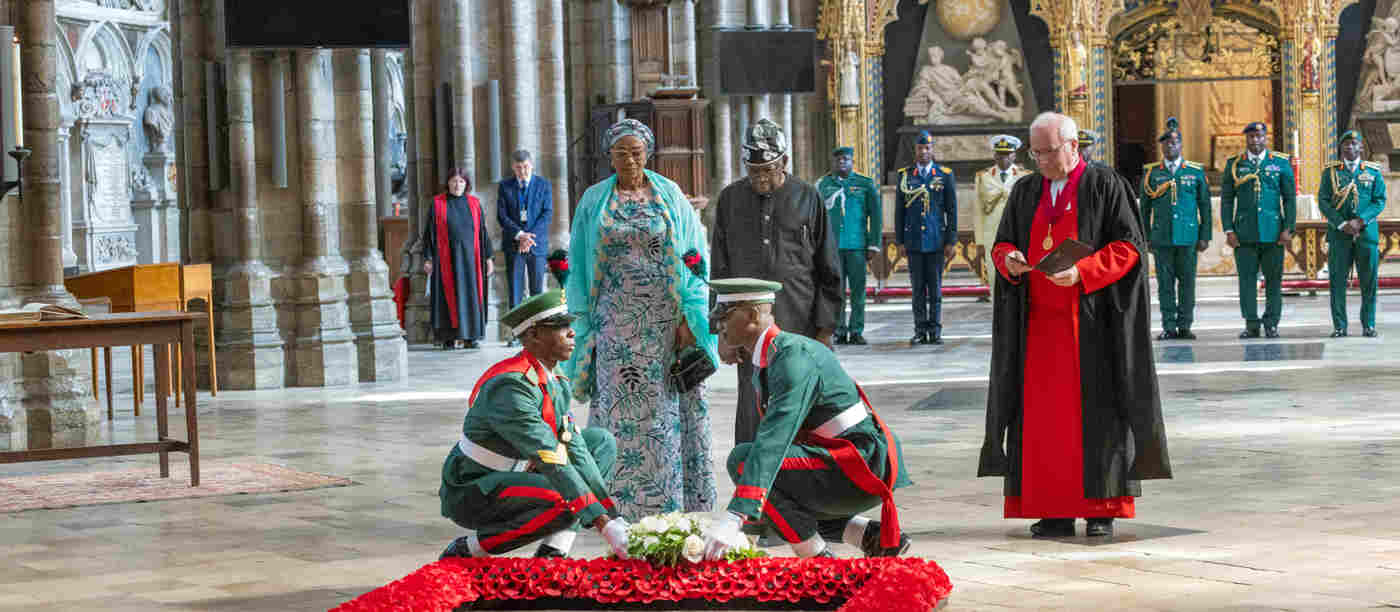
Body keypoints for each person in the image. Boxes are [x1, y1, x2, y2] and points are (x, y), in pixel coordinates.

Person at [979, 112, 1171, 539]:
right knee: (1042, 424)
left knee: (1097, 420)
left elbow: (1129, 247)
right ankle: (1052, 510)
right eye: (1036, 153)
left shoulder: (1105, 184)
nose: (1041, 160)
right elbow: (1003, 243)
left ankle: (1101, 508)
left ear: (1072, 145)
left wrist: (1084, 271)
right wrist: (1009, 260)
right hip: (1037, 332)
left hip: (1092, 327)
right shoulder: (1026, 190)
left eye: (1048, 152)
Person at [564, 119, 718, 519]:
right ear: (609, 156)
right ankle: (614, 504)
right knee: (619, 410)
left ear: (647, 154)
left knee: (664, 411)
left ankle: (668, 499)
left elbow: (695, 256)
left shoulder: (670, 195)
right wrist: (581, 320)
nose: (630, 160)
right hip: (614, 323)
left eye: (636, 152)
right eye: (621, 153)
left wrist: (690, 317)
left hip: (665, 325)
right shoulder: (593, 200)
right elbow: (578, 262)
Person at [700, 278, 912, 560]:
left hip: (863, 462)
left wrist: (735, 516)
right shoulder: (775, 354)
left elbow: (775, 439)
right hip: (849, 457)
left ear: (751, 315)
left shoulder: (792, 358)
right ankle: (869, 536)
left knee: (745, 461)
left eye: (725, 316)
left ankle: (817, 560)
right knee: (768, 493)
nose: (719, 325)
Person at [438, 290, 631, 560]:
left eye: (569, 325)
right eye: (560, 327)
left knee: (600, 443)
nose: (572, 333)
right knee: (566, 496)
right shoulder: (511, 386)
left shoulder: (553, 376)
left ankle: (554, 550)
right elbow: (549, 453)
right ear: (534, 335)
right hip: (474, 487)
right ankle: (467, 549)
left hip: (519, 469)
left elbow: (573, 445)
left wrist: (612, 516)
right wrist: (603, 525)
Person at [712, 118, 841, 444]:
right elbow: (720, 270)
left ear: (784, 161)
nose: (760, 178)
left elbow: (828, 268)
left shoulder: (808, 198)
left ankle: (803, 470)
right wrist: (722, 334)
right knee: (753, 403)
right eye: (753, 171)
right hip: (747, 328)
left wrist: (825, 329)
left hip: (799, 322)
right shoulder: (730, 200)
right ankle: (752, 470)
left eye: (768, 170)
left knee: (801, 400)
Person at [1221, 122, 1296, 339]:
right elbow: (1227, 200)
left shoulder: (1280, 163)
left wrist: (1288, 228)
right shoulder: (1235, 164)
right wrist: (1229, 230)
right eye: (1251, 136)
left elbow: (1289, 198)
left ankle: (1271, 323)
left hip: (1273, 232)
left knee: (1273, 280)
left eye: (1259, 136)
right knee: (1246, 280)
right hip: (1244, 232)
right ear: (1246, 139)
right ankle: (1251, 323)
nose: (1255, 140)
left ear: (1266, 138)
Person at [1141, 118, 1211, 340]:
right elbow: (1144, 209)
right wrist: (1145, 236)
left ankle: (1185, 325)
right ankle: (1169, 326)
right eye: (1166, 143)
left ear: (1181, 144)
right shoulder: (1152, 173)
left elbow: (1204, 206)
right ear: (1162, 147)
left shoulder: (1195, 171)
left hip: (1188, 237)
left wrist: (1205, 235)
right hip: (1161, 237)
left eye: (1174, 143)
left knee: (1187, 284)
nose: (1170, 146)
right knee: (1165, 284)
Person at [1319, 130, 1387, 338]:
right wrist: (1341, 224)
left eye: (1354, 143)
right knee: (1337, 283)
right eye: (1346, 143)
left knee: (1369, 282)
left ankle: (1369, 324)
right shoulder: (1331, 173)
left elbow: (1379, 200)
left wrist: (1361, 220)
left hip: (1366, 235)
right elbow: (1323, 201)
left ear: (1361, 147)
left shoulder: (1372, 172)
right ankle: (1340, 326)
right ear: (1341, 148)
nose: (1350, 147)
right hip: (1340, 235)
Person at [896, 130, 957, 345]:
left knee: (935, 290)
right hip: (913, 241)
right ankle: (920, 330)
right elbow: (899, 212)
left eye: (927, 148)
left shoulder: (944, 175)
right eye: (920, 148)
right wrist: (900, 241)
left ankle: (935, 330)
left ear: (932, 150)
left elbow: (951, 210)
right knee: (918, 290)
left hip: (936, 240)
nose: (924, 152)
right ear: (915, 150)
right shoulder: (905, 175)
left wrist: (951, 240)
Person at [816, 146, 882, 346]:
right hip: (832, 247)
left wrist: (874, 244)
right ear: (833, 162)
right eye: (838, 160)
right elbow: (817, 217)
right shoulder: (823, 184)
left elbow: (875, 216)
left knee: (858, 291)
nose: (842, 163)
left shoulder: (864, 184)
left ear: (852, 161)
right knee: (836, 291)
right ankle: (839, 330)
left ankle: (856, 330)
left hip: (857, 246)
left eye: (846, 159)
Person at [422, 167, 493, 350]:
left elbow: (483, 232)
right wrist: (428, 258)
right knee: (446, 298)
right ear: (447, 183)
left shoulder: (474, 204)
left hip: (471, 260)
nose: (457, 185)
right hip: (445, 259)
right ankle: (448, 338)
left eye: (461, 181)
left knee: (470, 296)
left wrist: (488, 257)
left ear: (466, 184)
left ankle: (471, 337)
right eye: (454, 181)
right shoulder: (438, 203)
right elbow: (429, 232)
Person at [497, 149, 554, 347]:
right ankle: (516, 334)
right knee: (515, 290)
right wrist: (520, 235)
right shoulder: (505, 186)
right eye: (518, 167)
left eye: (526, 167)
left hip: (536, 244)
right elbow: (502, 216)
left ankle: (538, 333)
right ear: (513, 168)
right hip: (514, 244)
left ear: (532, 165)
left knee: (537, 290)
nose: (522, 171)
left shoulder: (543, 184)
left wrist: (529, 238)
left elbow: (547, 213)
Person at [974, 134, 1030, 303]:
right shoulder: (983, 176)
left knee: (1018, 275)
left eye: (1007, 154)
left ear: (1014, 155)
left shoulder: (1025, 176)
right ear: (994, 155)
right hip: (992, 235)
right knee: (993, 277)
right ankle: (996, 313)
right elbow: (978, 210)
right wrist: (980, 241)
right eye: (1000, 154)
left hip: (1017, 235)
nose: (1003, 158)